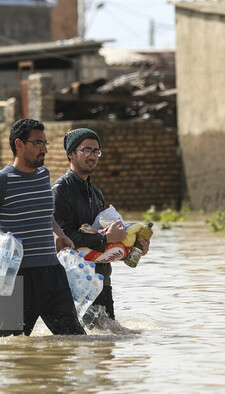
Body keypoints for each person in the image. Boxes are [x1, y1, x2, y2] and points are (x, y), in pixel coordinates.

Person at [0, 119, 85, 337]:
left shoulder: (43, 175)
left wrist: (61, 234)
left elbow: (44, 211)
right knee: (8, 350)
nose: (44, 149)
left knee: (75, 341)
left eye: (45, 143)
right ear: (19, 144)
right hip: (14, 280)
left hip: (52, 274)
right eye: (38, 143)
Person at [52, 128, 149, 332]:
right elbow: (64, 237)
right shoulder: (60, 191)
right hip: (75, 282)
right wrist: (105, 239)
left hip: (102, 280)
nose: (93, 156)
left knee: (106, 346)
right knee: (83, 344)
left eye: (96, 151)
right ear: (71, 153)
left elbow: (101, 239)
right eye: (87, 150)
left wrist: (130, 248)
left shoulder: (96, 194)